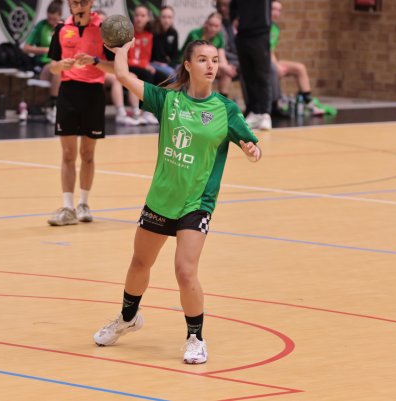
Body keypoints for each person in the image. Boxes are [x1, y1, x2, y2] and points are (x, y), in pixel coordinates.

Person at [93, 39, 262, 364]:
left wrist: (253, 151)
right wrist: (122, 49)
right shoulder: (168, 100)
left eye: (214, 60)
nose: (211, 66)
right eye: (203, 59)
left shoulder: (226, 110)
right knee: (139, 263)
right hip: (161, 197)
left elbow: (252, 147)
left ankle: (195, 337)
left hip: (197, 202)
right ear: (188, 64)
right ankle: (128, 318)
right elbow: (123, 76)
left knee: (185, 271)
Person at [46, 0, 115, 226]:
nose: (79, 5)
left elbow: (115, 68)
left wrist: (95, 61)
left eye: (83, 1)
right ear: (69, 4)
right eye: (75, 2)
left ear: (91, 3)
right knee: (68, 154)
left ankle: (83, 204)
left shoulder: (104, 29)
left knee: (87, 153)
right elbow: (52, 67)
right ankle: (68, 208)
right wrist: (61, 66)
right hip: (68, 92)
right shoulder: (61, 28)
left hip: (93, 93)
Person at [270, 0, 324, 115]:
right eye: (273, 9)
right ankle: (274, 104)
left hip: (272, 60)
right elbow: (265, 51)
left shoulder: (276, 28)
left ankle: (309, 103)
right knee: (274, 70)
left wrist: (277, 64)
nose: (276, 13)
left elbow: (272, 50)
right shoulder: (263, 27)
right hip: (263, 62)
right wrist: (276, 66)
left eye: (279, 10)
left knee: (300, 68)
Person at [95, 9, 143, 126]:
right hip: (93, 71)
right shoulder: (90, 39)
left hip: (108, 70)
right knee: (117, 79)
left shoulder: (111, 40)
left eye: (103, 23)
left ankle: (136, 112)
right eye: (98, 23)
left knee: (132, 76)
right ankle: (121, 113)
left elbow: (116, 63)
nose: (101, 25)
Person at [230, 0, 273, 130]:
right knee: (248, 75)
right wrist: (234, 17)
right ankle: (254, 111)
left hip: (260, 33)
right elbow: (233, 5)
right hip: (243, 34)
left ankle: (265, 113)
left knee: (262, 74)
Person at [180, 12, 237, 99]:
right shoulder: (195, 34)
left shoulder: (219, 37)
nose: (213, 28)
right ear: (206, 24)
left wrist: (226, 68)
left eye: (216, 26)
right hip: (187, 64)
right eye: (211, 25)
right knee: (203, 69)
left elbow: (221, 56)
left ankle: (222, 101)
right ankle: (195, 99)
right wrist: (223, 67)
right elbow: (199, 59)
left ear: (220, 28)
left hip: (206, 65)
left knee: (226, 73)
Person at [23, 1, 63, 123]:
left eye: (54, 19)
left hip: (62, 61)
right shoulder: (41, 26)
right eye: (49, 19)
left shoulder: (65, 27)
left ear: (60, 16)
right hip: (45, 64)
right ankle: (54, 105)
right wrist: (45, 50)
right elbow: (26, 48)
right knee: (56, 68)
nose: (51, 22)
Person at [127, 4, 159, 125]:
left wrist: (145, 65)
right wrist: (143, 64)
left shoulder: (149, 35)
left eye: (142, 15)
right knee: (139, 76)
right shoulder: (127, 33)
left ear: (148, 18)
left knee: (151, 75)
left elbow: (146, 58)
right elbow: (125, 58)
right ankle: (137, 112)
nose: (139, 18)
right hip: (128, 66)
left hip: (141, 67)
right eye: (137, 15)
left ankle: (147, 112)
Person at [150, 6, 179, 84]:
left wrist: (170, 64)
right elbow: (156, 54)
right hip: (154, 63)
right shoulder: (153, 32)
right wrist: (165, 61)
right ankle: (177, 92)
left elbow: (175, 55)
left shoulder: (173, 33)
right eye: (164, 17)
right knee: (173, 75)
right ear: (159, 18)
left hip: (167, 64)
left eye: (169, 17)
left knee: (185, 72)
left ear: (172, 19)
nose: (166, 20)